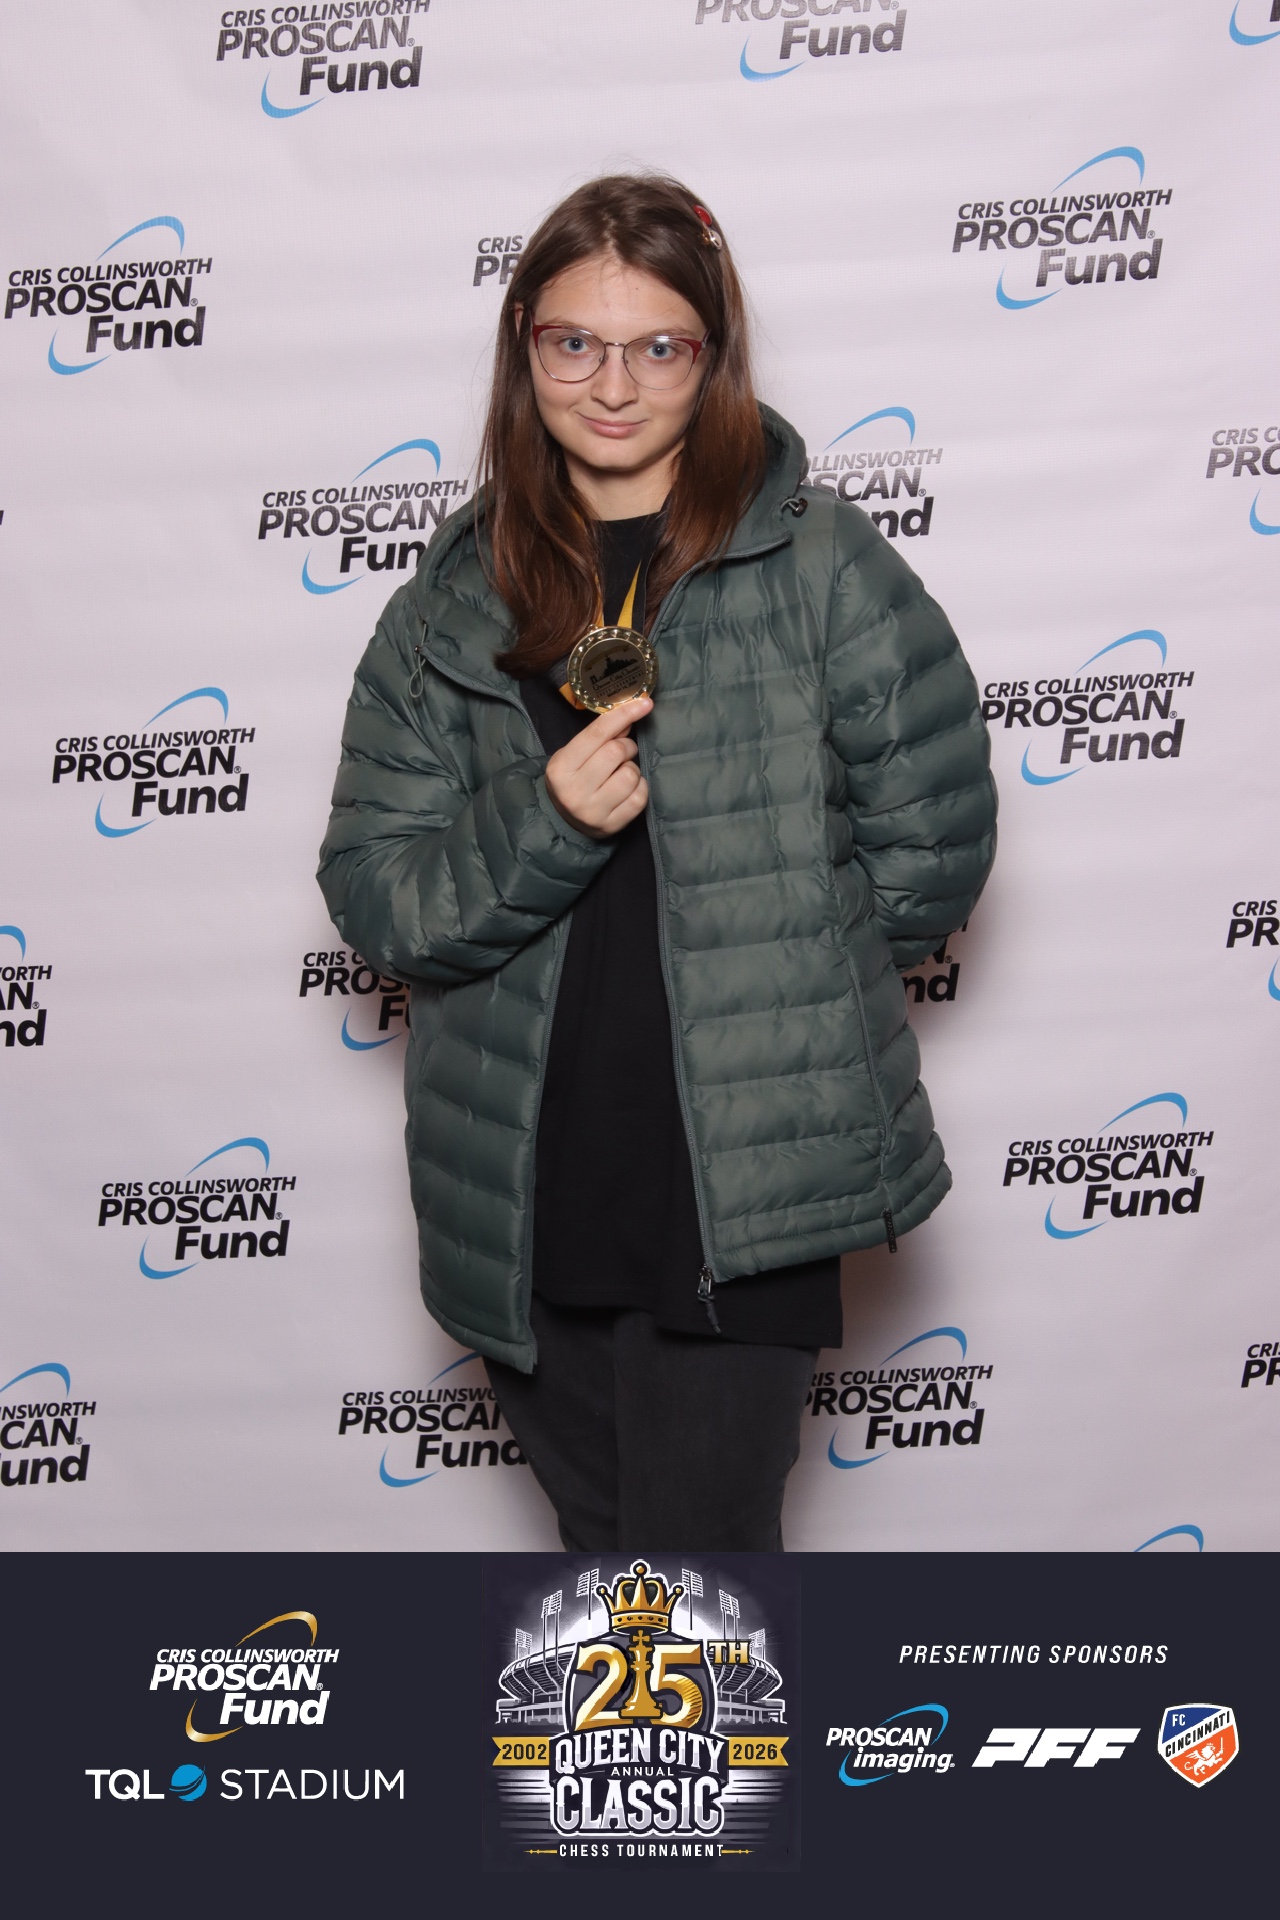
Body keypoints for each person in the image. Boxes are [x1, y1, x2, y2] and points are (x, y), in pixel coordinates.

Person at [318, 173, 996, 1552]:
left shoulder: (819, 564)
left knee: (705, 1574)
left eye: (659, 347)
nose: (613, 386)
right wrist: (549, 824)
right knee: (604, 1566)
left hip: (743, 1178)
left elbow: (931, 848)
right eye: (575, 342)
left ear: (713, 353)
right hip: (528, 1179)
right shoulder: (450, 600)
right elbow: (381, 897)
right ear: (524, 345)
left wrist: (790, 969)